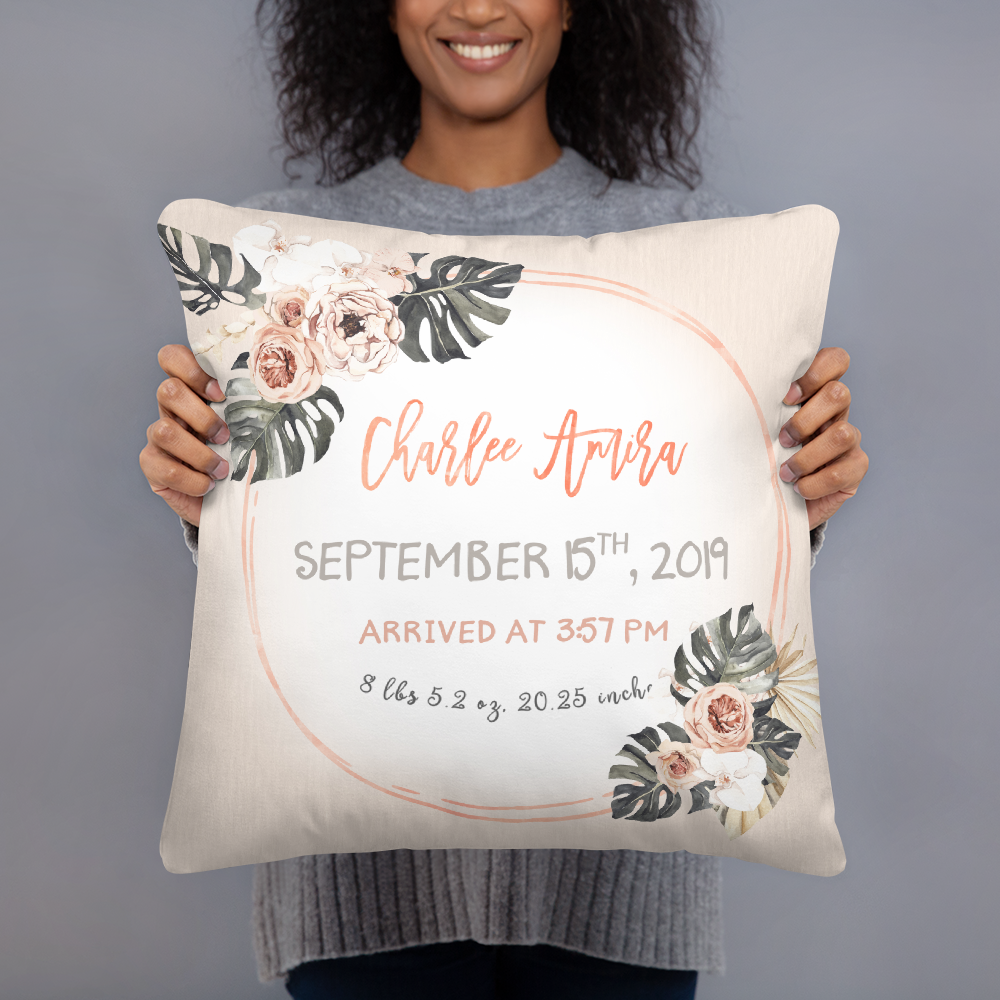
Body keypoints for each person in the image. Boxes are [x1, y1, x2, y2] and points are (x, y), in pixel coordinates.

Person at [139, 2, 869, 997]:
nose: (478, 7)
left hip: (626, 901)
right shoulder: (291, 256)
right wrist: (202, 498)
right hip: (356, 908)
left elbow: (704, 560)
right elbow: (294, 566)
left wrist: (801, 495)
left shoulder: (680, 242)